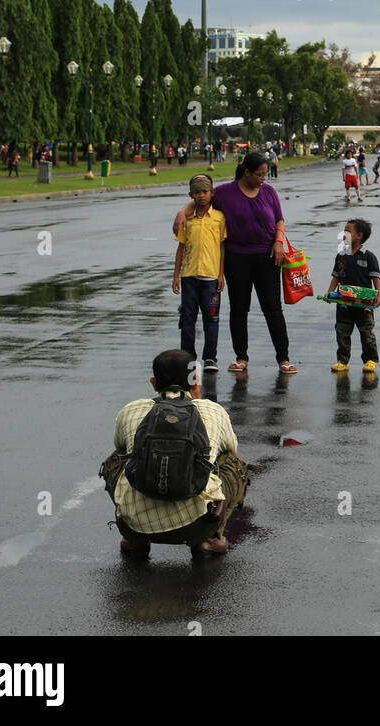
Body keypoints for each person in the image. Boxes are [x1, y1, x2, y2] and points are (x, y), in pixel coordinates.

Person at [101, 349, 253, 558]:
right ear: (195, 381)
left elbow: (119, 445)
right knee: (232, 461)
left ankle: (134, 540)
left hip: (135, 524)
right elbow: (231, 447)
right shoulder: (212, 410)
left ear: (154, 383)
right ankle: (211, 538)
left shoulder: (131, 409)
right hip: (198, 524)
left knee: (118, 457)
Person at [173, 151, 296, 374]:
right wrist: (182, 212)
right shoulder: (224, 193)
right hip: (236, 259)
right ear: (246, 172)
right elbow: (200, 200)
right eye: (259, 174)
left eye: (265, 174)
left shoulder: (268, 192)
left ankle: (283, 359)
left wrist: (278, 241)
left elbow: (279, 218)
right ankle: (241, 358)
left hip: (267, 257)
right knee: (239, 309)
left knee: (273, 309)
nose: (263, 179)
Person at [172, 174, 226, 371]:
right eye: (197, 192)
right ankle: (188, 356)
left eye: (205, 192)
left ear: (212, 193)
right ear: (191, 195)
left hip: (211, 278)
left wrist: (221, 275)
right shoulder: (186, 220)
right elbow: (180, 248)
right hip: (189, 277)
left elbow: (222, 248)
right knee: (187, 317)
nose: (202, 196)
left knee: (211, 318)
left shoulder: (219, 218)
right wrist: (176, 275)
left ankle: (210, 358)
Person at [328, 219, 380, 373]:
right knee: (342, 331)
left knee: (366, 332)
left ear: (359, 235)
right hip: (344, 302)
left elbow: (375, 277)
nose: (344, 234)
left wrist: (378, 295)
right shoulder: (341, 256)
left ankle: (370, 360)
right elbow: (336, 276)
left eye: (347, 231)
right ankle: (342, 361)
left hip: (364, 303)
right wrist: (330, 292)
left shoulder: (368, 256)